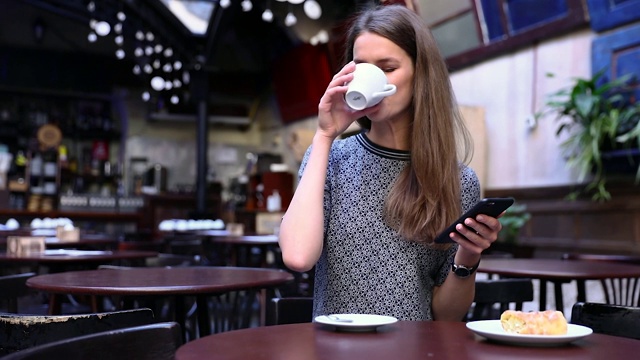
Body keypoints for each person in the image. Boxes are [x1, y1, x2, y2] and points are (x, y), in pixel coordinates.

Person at [278, 4, 503, 322]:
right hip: (336, 350)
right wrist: (324, 135)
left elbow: (447, 315)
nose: (371, 79)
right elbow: (298, 257)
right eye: (361, 67)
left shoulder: (456, 179)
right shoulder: (331, 158)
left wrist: (468, 256)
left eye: (387, 67)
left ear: (420, 74)